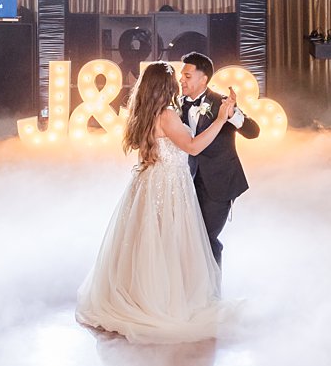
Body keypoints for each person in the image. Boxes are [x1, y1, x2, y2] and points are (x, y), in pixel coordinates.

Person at [75, 61, 237, 342]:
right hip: (170, 186)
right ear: (166, 86)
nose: (179, 82)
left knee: (148, 243)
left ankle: (143, 295)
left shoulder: (144, 113)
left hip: (149, 184)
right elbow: (193, 146)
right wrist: (222, 118)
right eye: (175, 78)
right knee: (168, 243)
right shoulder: (167, 115)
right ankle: (164, 301)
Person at [178, 52, 260, 264]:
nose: (181, 80)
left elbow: (253, 132)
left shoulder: (221, 103)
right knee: (186, 238)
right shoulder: (177, 105)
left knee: (207, 238)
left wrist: (232, 115)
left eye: (187, 76)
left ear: (203, 78)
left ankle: (212, 291)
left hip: (219, 181)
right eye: (181, 76)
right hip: (185, 181)